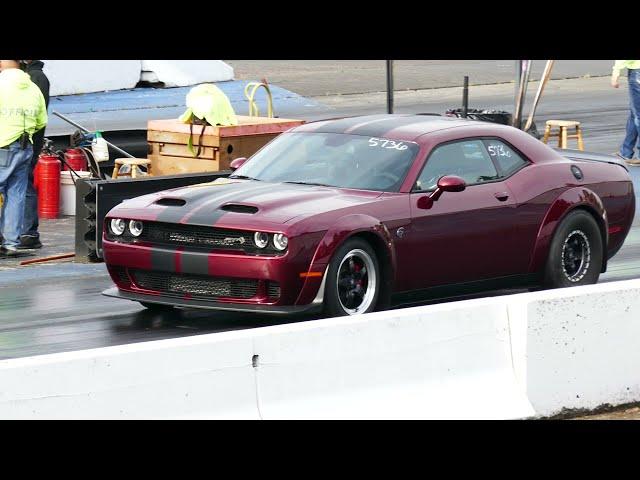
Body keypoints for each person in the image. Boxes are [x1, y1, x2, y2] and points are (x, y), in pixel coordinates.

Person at [0, 60, 47, 256]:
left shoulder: (2, 84)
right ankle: (11, 243)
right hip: (24, 146)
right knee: (16, 195)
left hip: (3, 145)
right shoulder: (33, 88)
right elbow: (41, 121)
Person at [18, 60, 49, 249]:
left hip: (28, 140)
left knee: (24, 184)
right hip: (28, 139)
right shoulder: (33, 76)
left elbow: (36, 113)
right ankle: (26, 232)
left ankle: (29, 232)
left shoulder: (35, 78)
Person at [611, 60, 640, 165]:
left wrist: (616, 72)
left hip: (637, 71)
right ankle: (625, 152)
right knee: (634, 114)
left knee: (638, 115)